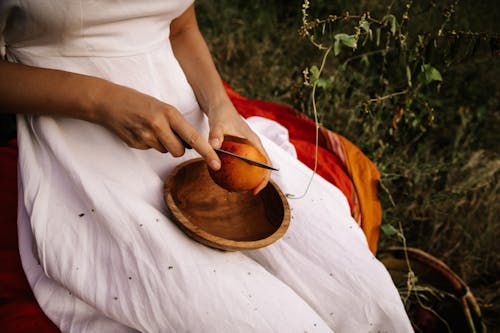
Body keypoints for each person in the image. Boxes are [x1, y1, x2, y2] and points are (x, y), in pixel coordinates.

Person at [0, 1, 414, 332]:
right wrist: (102, 101)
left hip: (192, 123)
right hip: (80, 135)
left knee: (359, 290)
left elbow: (180, 27)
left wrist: (221, 108)